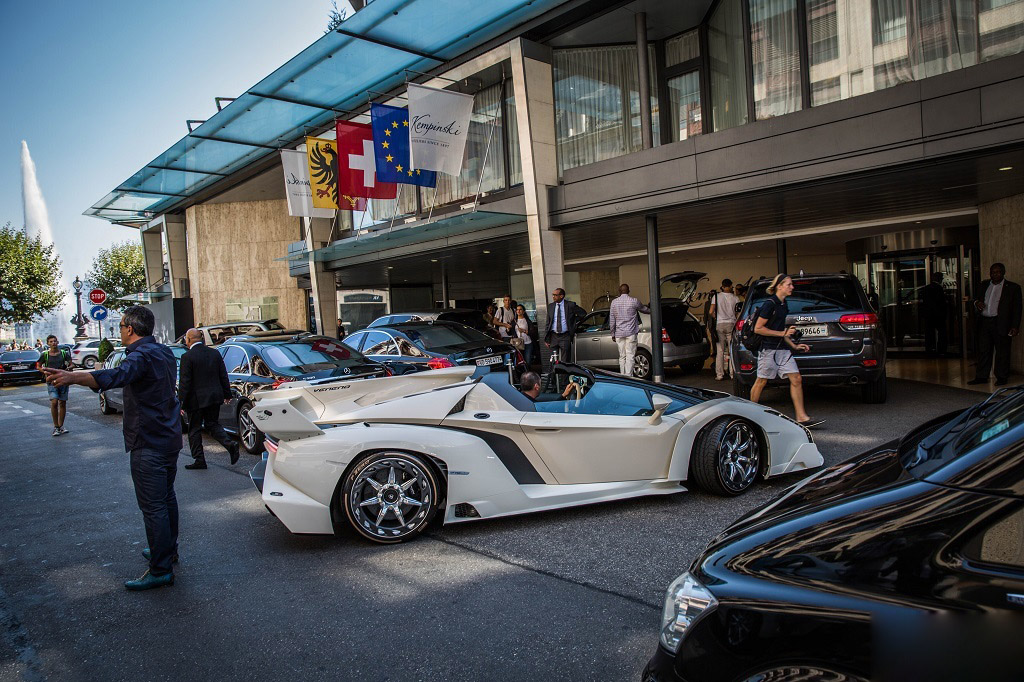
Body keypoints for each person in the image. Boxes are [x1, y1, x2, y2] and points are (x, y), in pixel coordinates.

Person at [43, 305, 182, 591]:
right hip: (168, 437)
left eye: (120, 326)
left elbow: (113, 377)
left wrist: (71, 377)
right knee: (166, 499)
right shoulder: (163, 351)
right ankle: (166, 551)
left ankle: (161, 568)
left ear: (130, 329)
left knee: (154, 506)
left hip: (149, 440)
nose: (119, 330)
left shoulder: (140, 356)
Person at [749, 274, 820, 427]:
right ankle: (750, 415)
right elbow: (758, 328)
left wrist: (794, 345)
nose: (792, 287)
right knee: (761, 381)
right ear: (779, 286)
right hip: (768, 350)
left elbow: (782, 330)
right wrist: (782, 333)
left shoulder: (783, 304)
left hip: (782, 349)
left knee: (796, 379)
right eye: (789, 284)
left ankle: (802, 417)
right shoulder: (770, 304)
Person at [178, 328, 239, 469]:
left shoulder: (187, 357)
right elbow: (223, 375)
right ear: (202, 339)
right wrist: (227, 394)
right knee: (212, 424)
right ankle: (230, 444)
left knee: (194, 429)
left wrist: (182, 402)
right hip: (214, 397)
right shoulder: (214, 353)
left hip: (196, 400)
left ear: (188, 340)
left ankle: (199, 460)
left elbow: (185, 383)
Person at [969, 263, 1022, 386]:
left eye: (997, 272)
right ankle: (981, 376)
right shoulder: (983, 285)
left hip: (1001, 322)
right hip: (985, 322)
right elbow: (975, 298)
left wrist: (1015, 326)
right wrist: (976, 302)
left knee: (1002, 351)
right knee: (983, 350)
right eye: (992, 272)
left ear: (1003, 273)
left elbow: (1017, 309)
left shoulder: (1013, 288)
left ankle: (1002, 377)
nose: (995, 274)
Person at [608, 283, 650, 376]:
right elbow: (645, 310)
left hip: (619, 333)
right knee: (630, 356)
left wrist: (612, 334)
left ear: (619, 292)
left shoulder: (614, 302)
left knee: (622, 357)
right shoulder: (634, 301)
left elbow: (612, 320)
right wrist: (653, 309)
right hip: (631, 333)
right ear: (629, 291)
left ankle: (623, 376)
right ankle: (629, 377)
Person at [38, 335, 72, 436]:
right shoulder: (45, 354)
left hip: (63, 380)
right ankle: (56, 426)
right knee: (54, 402)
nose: (53, 343)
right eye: (51, 341)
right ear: (48, 343)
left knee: (62, 403)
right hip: (51, 381)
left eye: (55, 341)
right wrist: (45, 372)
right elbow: (38, 366)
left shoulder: (63, 353)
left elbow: (71, 364)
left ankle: (61, 426)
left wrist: (68, 368)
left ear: (57, 342)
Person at [543, 288, 585, 364]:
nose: (553, 297)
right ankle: (554, 375)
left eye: (555, 295)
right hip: (553, 336)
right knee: (553, 359)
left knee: (565, 360)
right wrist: (546, 338)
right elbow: (548, 323)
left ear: (561, 296)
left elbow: (583, 314)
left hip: (565, 336)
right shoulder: (550, 306)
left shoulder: (570, 305)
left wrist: (573, 322)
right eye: (553, 295)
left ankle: (564, 376)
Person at [709, 279, 740, 380]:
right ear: (731, 286)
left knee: (720, 351)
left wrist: (715, 317)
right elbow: (737, 314)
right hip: (731, 324)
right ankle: (732, 374)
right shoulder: (736, 298)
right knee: (731, 350)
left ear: (722, 286)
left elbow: (710, 311)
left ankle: (719, 374)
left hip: (720, 324)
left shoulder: (716, 297)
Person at [920, 272, 947, 356]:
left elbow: (924, 302)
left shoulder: (926, 288)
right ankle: (941, 349)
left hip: (929, 315)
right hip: (938, 315)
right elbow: (941, 302)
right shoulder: (939, 288)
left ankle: (930, 349)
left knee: (929, 333)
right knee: (942, 332)